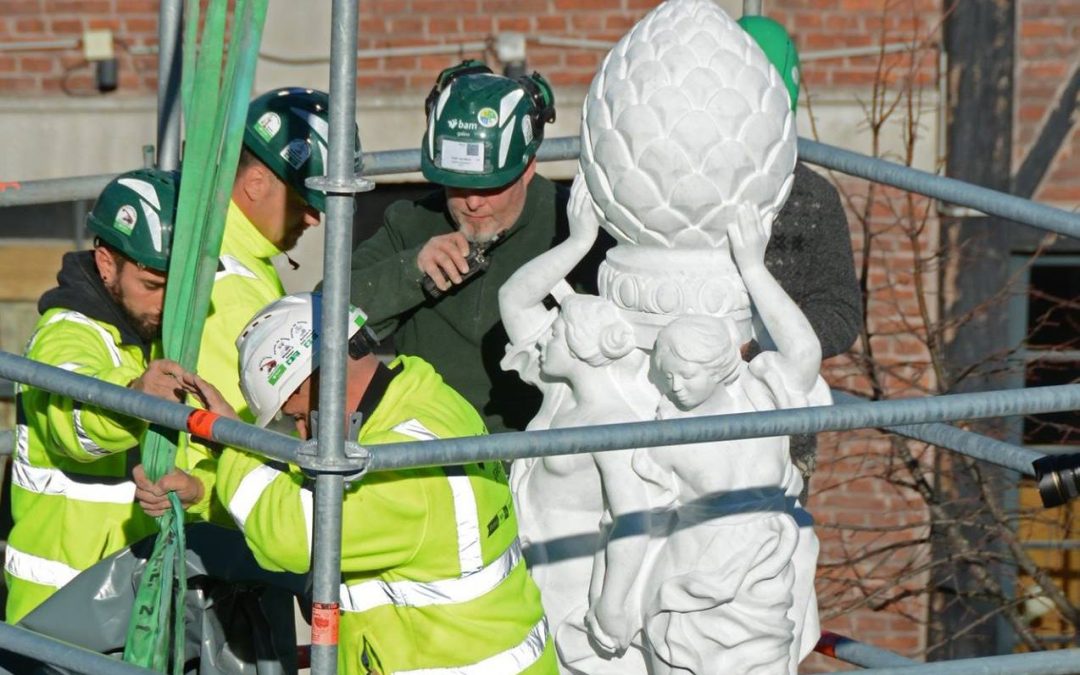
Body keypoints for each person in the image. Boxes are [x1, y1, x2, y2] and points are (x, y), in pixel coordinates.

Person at [188, 292, 558, 674]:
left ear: (313, 381)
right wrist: (203, 492)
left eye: (297, 416)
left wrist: (230, 443)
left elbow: (291, 534)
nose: (301, 434)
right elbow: (317, 495)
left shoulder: (400, 474)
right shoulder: (423, 401)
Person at [602, 204, 826, 674]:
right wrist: (614, 601)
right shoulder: (663, 436)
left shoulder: (760, 395)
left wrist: (753, 267)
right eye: (669, 376)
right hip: (692, 572)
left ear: (720, 368)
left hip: (764, 567)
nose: (677, 386)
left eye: (688, 375)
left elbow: (805, 351)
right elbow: (635, 520)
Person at [346, 60, 613, 434]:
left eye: (490, 187)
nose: (472, 203)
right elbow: (326, 315)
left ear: (528, 168)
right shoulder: (411, 223)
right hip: (432, 453)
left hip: (544, 460)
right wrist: (410, 271)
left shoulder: (573, 228)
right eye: (456, 185)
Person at [135, 88, 356, 511]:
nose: (315, 217)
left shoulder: (230, 250)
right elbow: (254, 425)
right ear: (255, 183)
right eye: (305, 201)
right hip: (221, 511)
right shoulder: (233, 291)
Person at [4, 169, 207, 623]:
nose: (164, 302)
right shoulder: (64, 336)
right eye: (152, 286)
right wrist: (136, 396)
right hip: (57, 619)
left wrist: (198, 489)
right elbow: (74, 423)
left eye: (179, 287)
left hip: (134, 609)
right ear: (106, 263)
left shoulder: (161, 333)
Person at [740, 15, 862, 501]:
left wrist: (765, 344)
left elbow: (839, 311)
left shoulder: (812, 199)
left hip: (776, 416)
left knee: (770, 555)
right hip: (681, 398)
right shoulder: (671, 195)